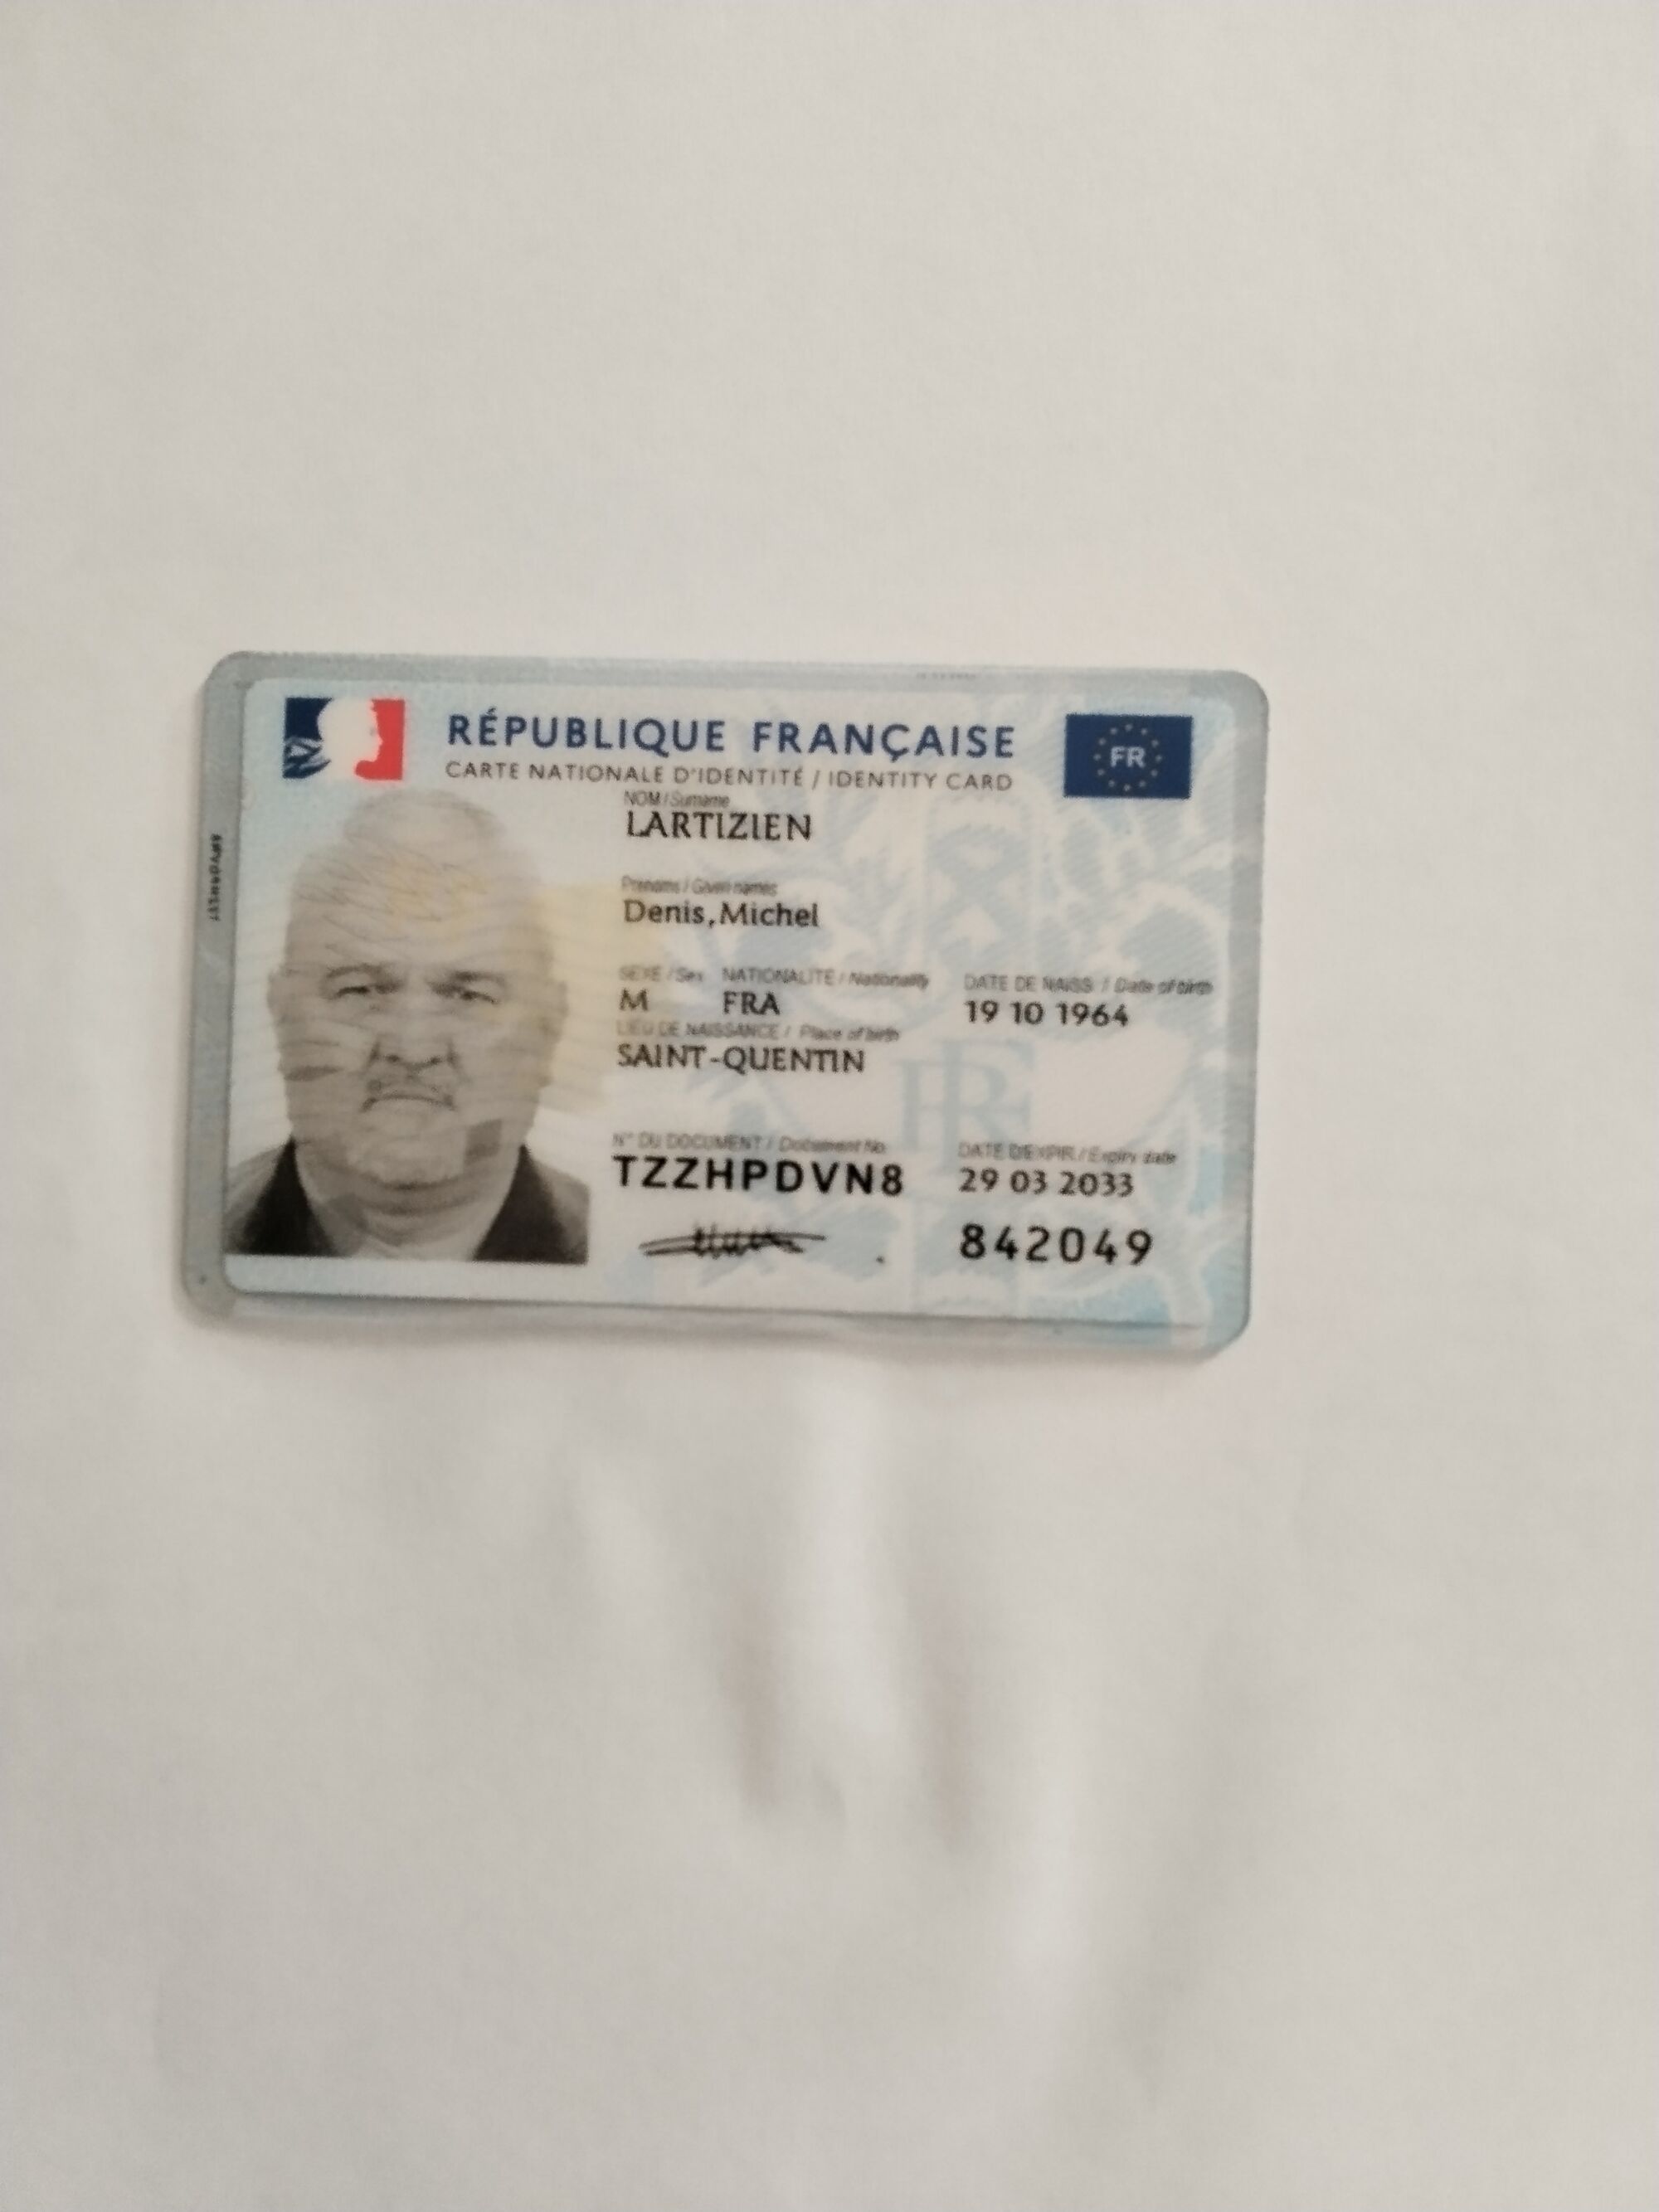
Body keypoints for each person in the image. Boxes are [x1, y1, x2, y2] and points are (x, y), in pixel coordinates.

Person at [227, 791, 588, 1262]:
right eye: (359, 990)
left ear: (549, 1029)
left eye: (470, 995)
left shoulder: (615, 1237)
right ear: (281, 1013)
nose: (413, 1048)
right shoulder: (189, 1230)